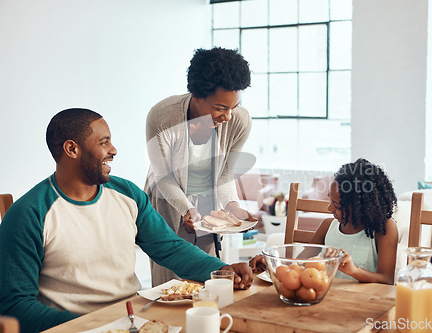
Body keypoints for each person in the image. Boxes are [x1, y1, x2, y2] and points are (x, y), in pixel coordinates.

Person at [0, 109, 253, 333]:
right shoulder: (28, 214)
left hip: (134, 319)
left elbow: (170, 248)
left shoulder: (128, 194)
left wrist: (222, 270)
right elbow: (15, 306)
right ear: (72, 149)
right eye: (104, 142)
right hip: (77, 327)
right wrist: (92, 326)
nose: (113, 150)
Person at [144, 47, 256, 287]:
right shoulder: (162, 118)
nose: (227, 116)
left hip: (208, 201)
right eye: (219, 108)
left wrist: (232, 205)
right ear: (196, 95)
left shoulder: (239, 121)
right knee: (170, 283)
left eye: (233, 107)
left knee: (212, 278)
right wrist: (186, 208)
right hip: (168, 200)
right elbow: (164, 179)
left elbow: (224, 173)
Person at [251, 158, 399, 284]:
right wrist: (270, 264)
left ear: (360, 207)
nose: (329, 208)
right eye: (330, 200)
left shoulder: (384, 229)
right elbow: (299, 264)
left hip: (363, 303)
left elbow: (387, 280)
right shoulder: (327, 227)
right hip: (324, 297)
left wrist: (354, 271)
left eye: (337, 205)